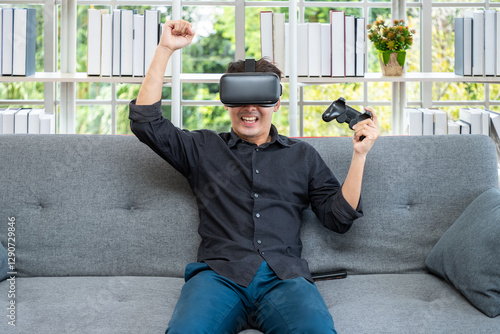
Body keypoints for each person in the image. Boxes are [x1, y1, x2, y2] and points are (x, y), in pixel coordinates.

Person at [129, 19, 380, 334]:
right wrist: (166, 48)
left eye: (260, 97)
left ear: (276, 102)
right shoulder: (202, 147)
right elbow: (145, 123)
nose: (250, 108)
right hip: (219, 276)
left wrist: (359, 155)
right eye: (240, 97)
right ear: (225, 102)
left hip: (284, 279)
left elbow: (338, 219)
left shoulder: (302, 156)